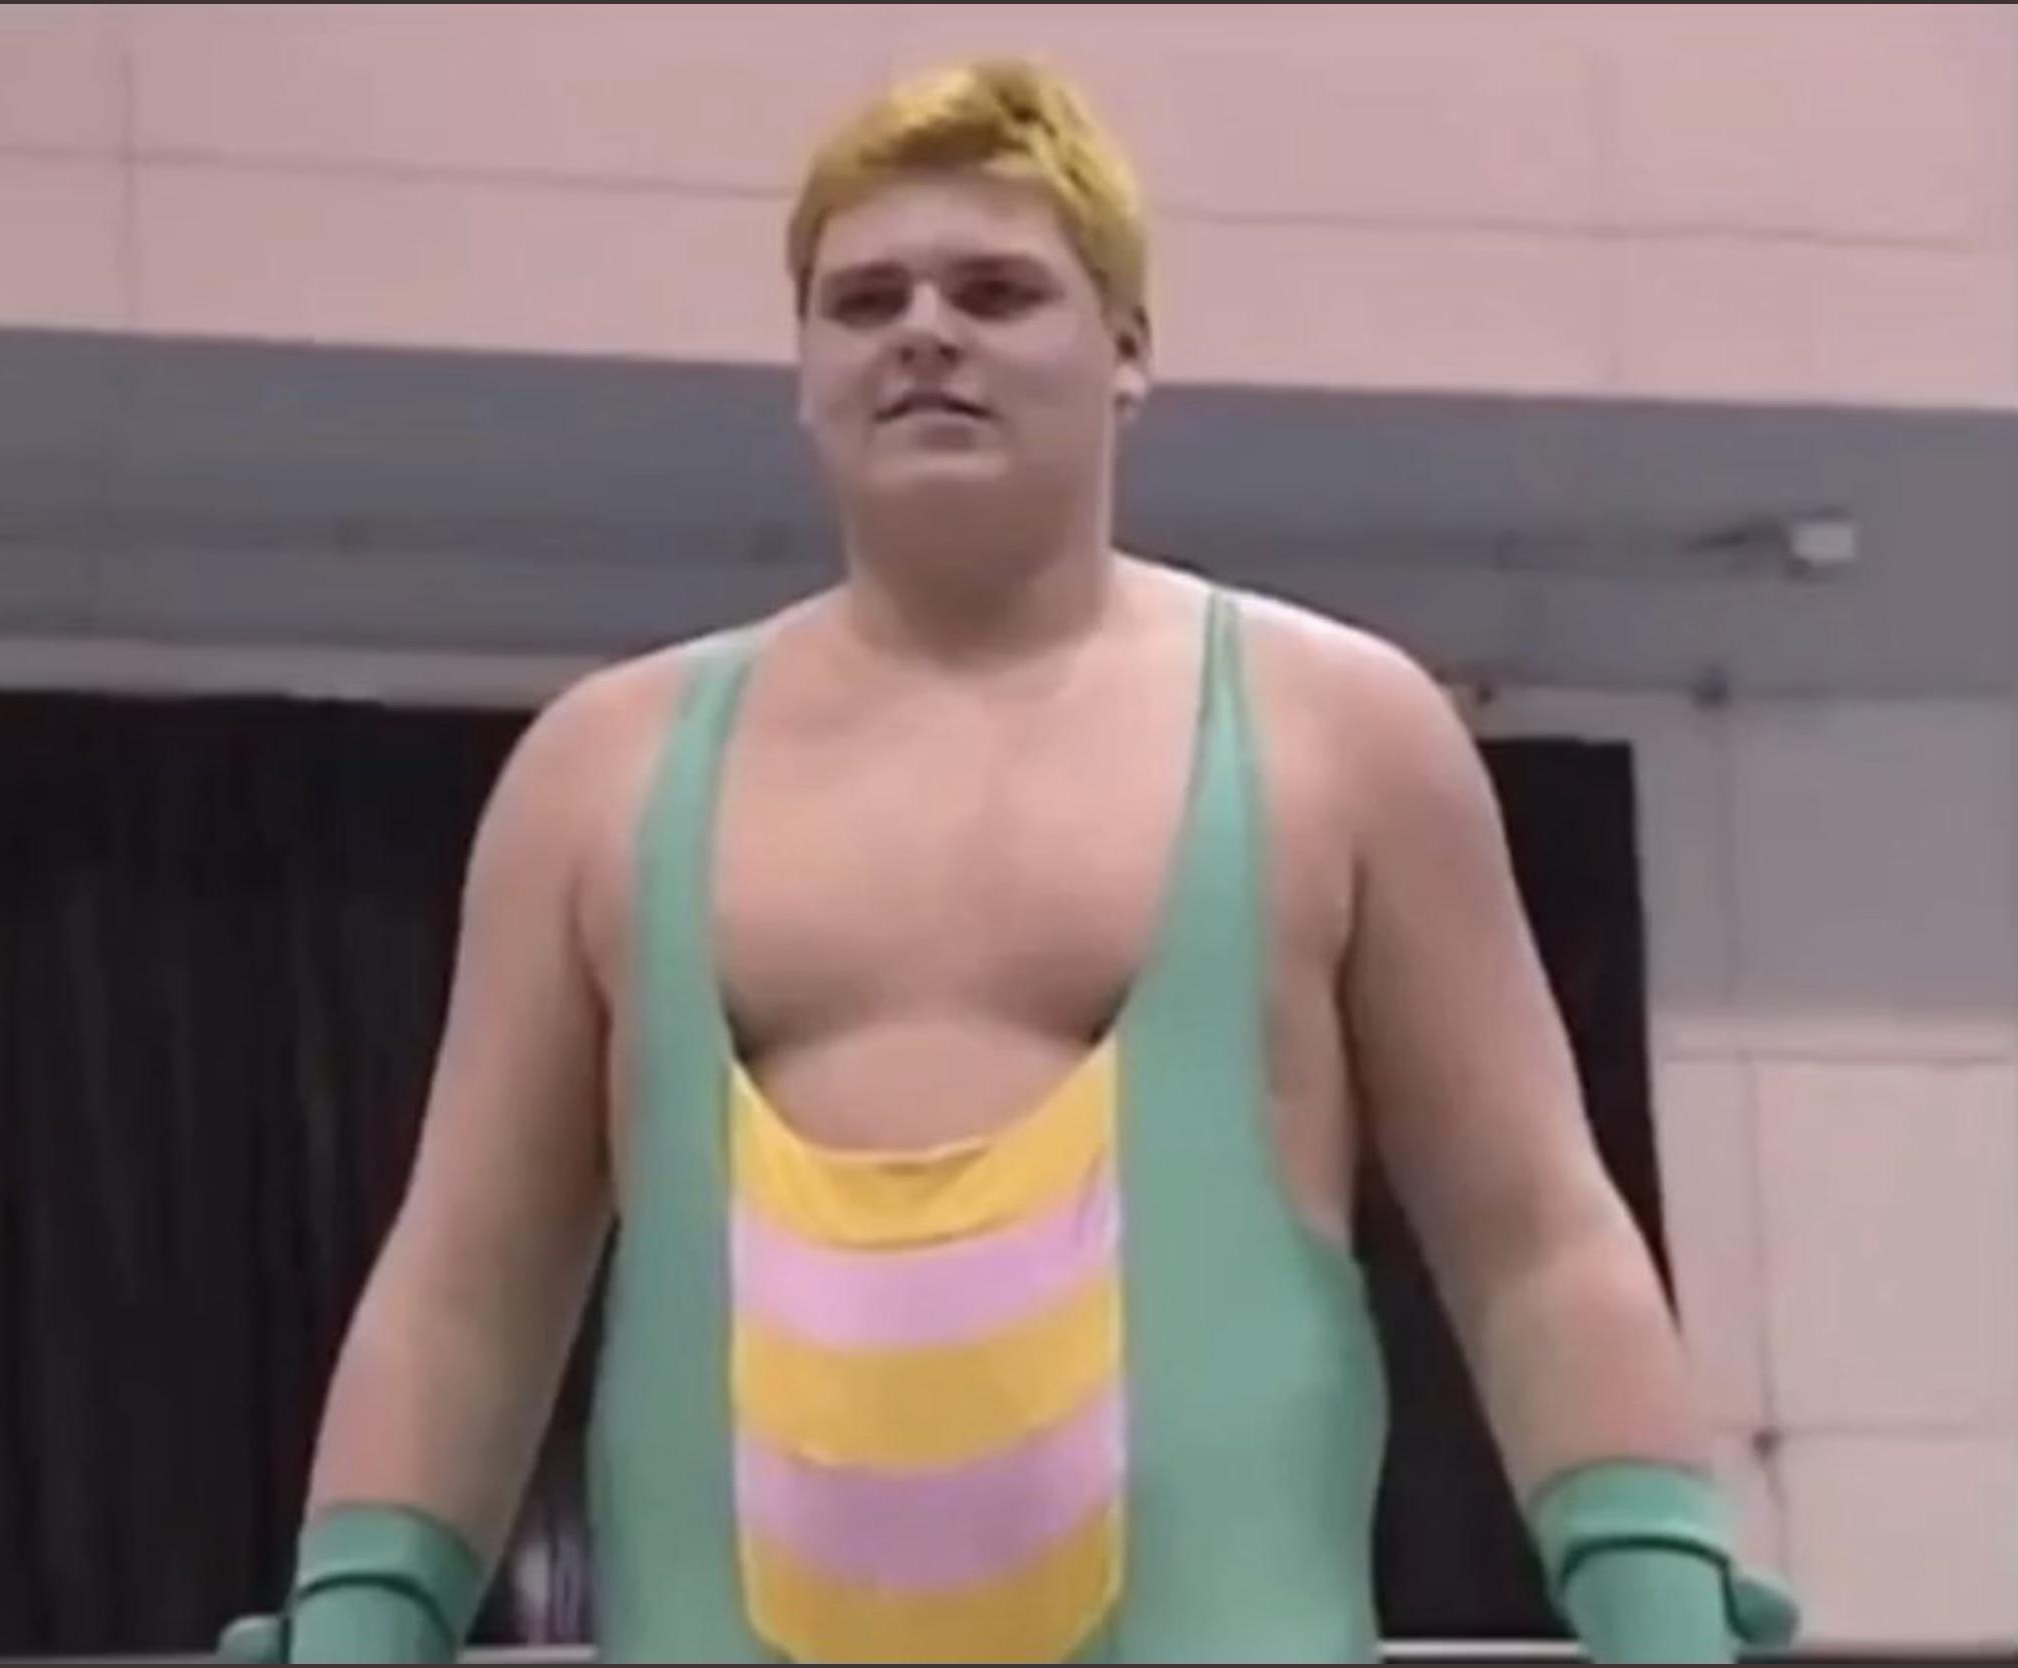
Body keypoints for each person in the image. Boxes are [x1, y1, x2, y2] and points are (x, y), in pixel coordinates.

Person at [218, 57, 1798, 1665]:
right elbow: (468, 1282)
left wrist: (1652, 1576)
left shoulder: (1342, 736)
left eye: (994, 291)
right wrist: (366, 1604)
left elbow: (1533, 1233)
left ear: (1128, 350)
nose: (923, 332)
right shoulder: (599, 774)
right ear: (803, 372)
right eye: (863, 300)